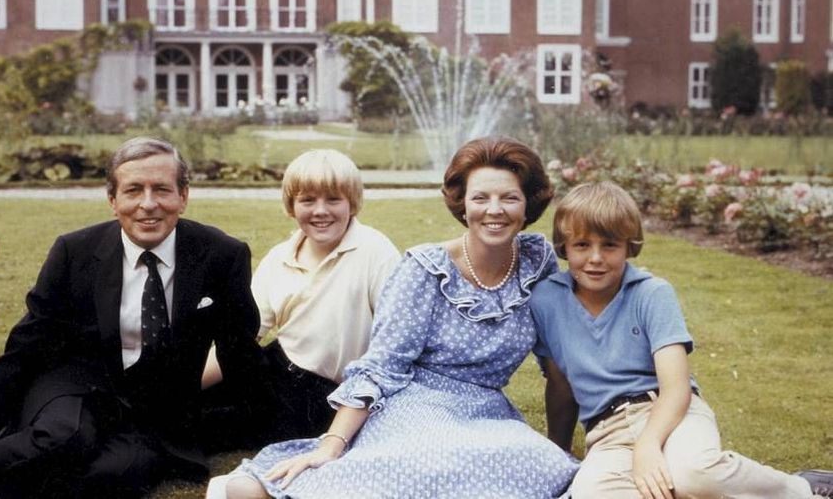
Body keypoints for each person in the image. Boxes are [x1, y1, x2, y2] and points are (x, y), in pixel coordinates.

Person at [214, 137, 578, 499]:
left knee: (540, 464)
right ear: (463, 205)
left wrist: (559, 447)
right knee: (426, 466)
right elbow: (381, 365)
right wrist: (330, 446)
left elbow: (558, 364)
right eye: (480, 197)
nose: (494, 210)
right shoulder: (425, 269)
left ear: (527, 204)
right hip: (414, 403)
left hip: (487, 412)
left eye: (509, 198)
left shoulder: (536, 263)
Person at [0, 137, 264, 499]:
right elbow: (22, 353)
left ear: (183, 196)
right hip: (73, 386)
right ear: (113, 201)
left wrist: (282, 428)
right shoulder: (74, 252)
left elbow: (239, 351)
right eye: (133, 191)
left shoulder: (222, 255)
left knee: (110, 475)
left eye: (161, 189)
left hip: (150, 415)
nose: (148, 204)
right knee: (66, 438)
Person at [529, 180, 833, 499]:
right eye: (581, 245)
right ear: (563, 247)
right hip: (608, 432)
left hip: (669, 411)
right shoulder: (548, 301)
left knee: (694, 475)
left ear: (629, 247)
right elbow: (561, 385)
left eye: (609, 245)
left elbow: (676, 387)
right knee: (595, 493)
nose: (595, 258)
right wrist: (559, 452)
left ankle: (799, 488)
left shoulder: (651, 293)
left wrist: (647, 445)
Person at [201, 149, 401, 451]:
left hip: (326, 396)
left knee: (213, 427)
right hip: (274, 367)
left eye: (333, 199)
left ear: (352, 202)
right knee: (183, 402)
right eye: (307, 200)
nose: (320, 211)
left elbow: (395, 345)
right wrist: (187, 385)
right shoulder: (280, 257)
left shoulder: (375, 252)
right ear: (292, 206)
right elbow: (242, 338)